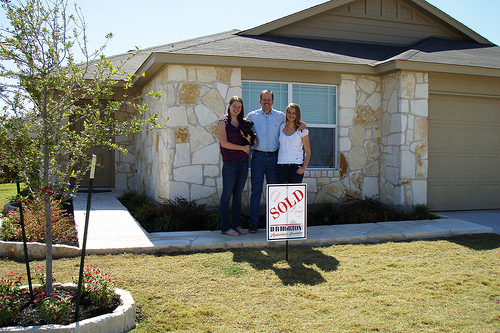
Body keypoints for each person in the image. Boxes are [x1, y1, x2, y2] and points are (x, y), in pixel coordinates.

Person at [246, 90, 306, 233]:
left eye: (269, 99)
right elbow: (242, 127)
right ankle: (253, 223)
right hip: (258, 158)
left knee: (275, 192)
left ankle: (274, 223)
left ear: (273, 101)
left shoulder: (280, 116)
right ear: (260, 101)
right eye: (264, 99)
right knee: (256, 191)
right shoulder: (252, 116)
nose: (267, 102)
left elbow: (293, 121)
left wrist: (302, 123)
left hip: (274, 158)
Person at [218, 96, 256, 235]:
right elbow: (224, 143)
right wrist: (242, 148)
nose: (237, 109)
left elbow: (254, 142)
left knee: (238, 195)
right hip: (230, 163)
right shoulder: (223, 122)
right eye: (234, 106)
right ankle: (225, 227)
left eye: (239, 107)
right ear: (229, 106)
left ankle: (237, 225)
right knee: (227, 195)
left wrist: (247, 139)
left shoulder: (244, 123)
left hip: (243, 163)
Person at [277, 103, 311, 184]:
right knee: (282, 194)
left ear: (297, 114)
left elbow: (308, 150)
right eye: (289, 112)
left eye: (294, 113)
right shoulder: (281, 126)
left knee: (294, 195)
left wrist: (304, 167)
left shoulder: (302, 130)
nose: (291, 115)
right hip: (281, 165)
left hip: (296, 167)